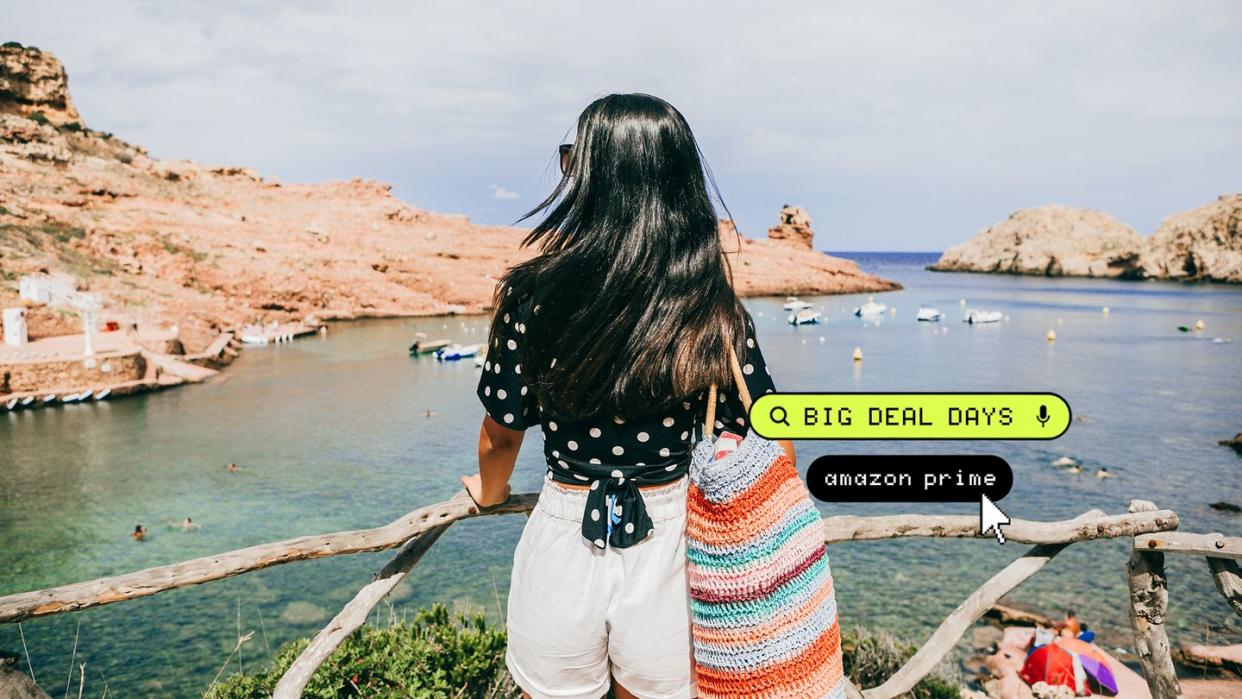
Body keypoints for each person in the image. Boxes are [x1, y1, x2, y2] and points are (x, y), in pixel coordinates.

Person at [460, 94, 794, 699]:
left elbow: (503, 431)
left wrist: (489, 492)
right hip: (676, 540)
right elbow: (770, 430)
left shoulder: (532, 296)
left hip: (566, 529)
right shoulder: (709, 304)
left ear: (592, 177)